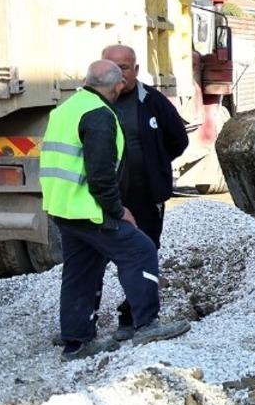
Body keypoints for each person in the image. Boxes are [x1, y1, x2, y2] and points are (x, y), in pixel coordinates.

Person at [40, 60, 191, 360]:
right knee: (141, 251)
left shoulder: (68, 108)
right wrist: (118, 210)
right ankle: (146, 324)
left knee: (80, 271)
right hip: (89, 210)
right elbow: (100, 175)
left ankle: (76, 340)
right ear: (116, 86)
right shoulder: (99, 116)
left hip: (63, 207)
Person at [101, 44, 189, 341]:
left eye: (123, 67)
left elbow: (178, 139)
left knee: (145, 252)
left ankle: (133, 318)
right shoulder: (94, 103)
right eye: (111, 67)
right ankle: (80, 324)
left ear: (136, 70)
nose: (118, 74)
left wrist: (155, 164)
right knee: (96, 258)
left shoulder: (152, 101)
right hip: (104, 198)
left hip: (145, 196)